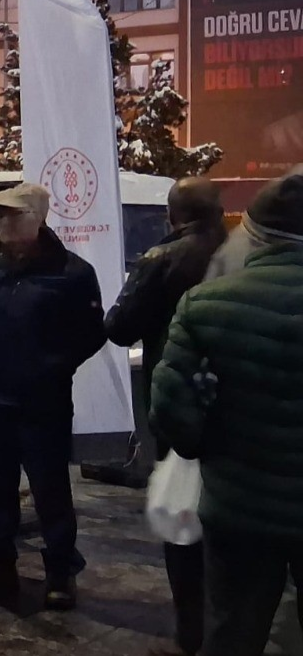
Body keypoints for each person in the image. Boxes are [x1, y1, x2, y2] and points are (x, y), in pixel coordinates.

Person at [0, 183, 105, 611]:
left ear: (37, 217)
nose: (0, 223)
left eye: (11, 215)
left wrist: (51, 366)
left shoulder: (72, 273)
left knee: (50, 490)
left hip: (40, 404)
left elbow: (92, 334)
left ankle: (60, 573)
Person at [153, 172, 303, 656]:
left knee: (233, 633)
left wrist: (206, 444)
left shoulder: (206, 305)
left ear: (255, 234)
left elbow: (172, 415)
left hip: (239, 510)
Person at [103, 178, 225, 656]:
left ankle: (191, 632)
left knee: (183, 515)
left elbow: (118, 325)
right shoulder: (241, 255)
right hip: (240, 407)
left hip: (178, 404)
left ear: (171, 215)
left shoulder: (163, 258)